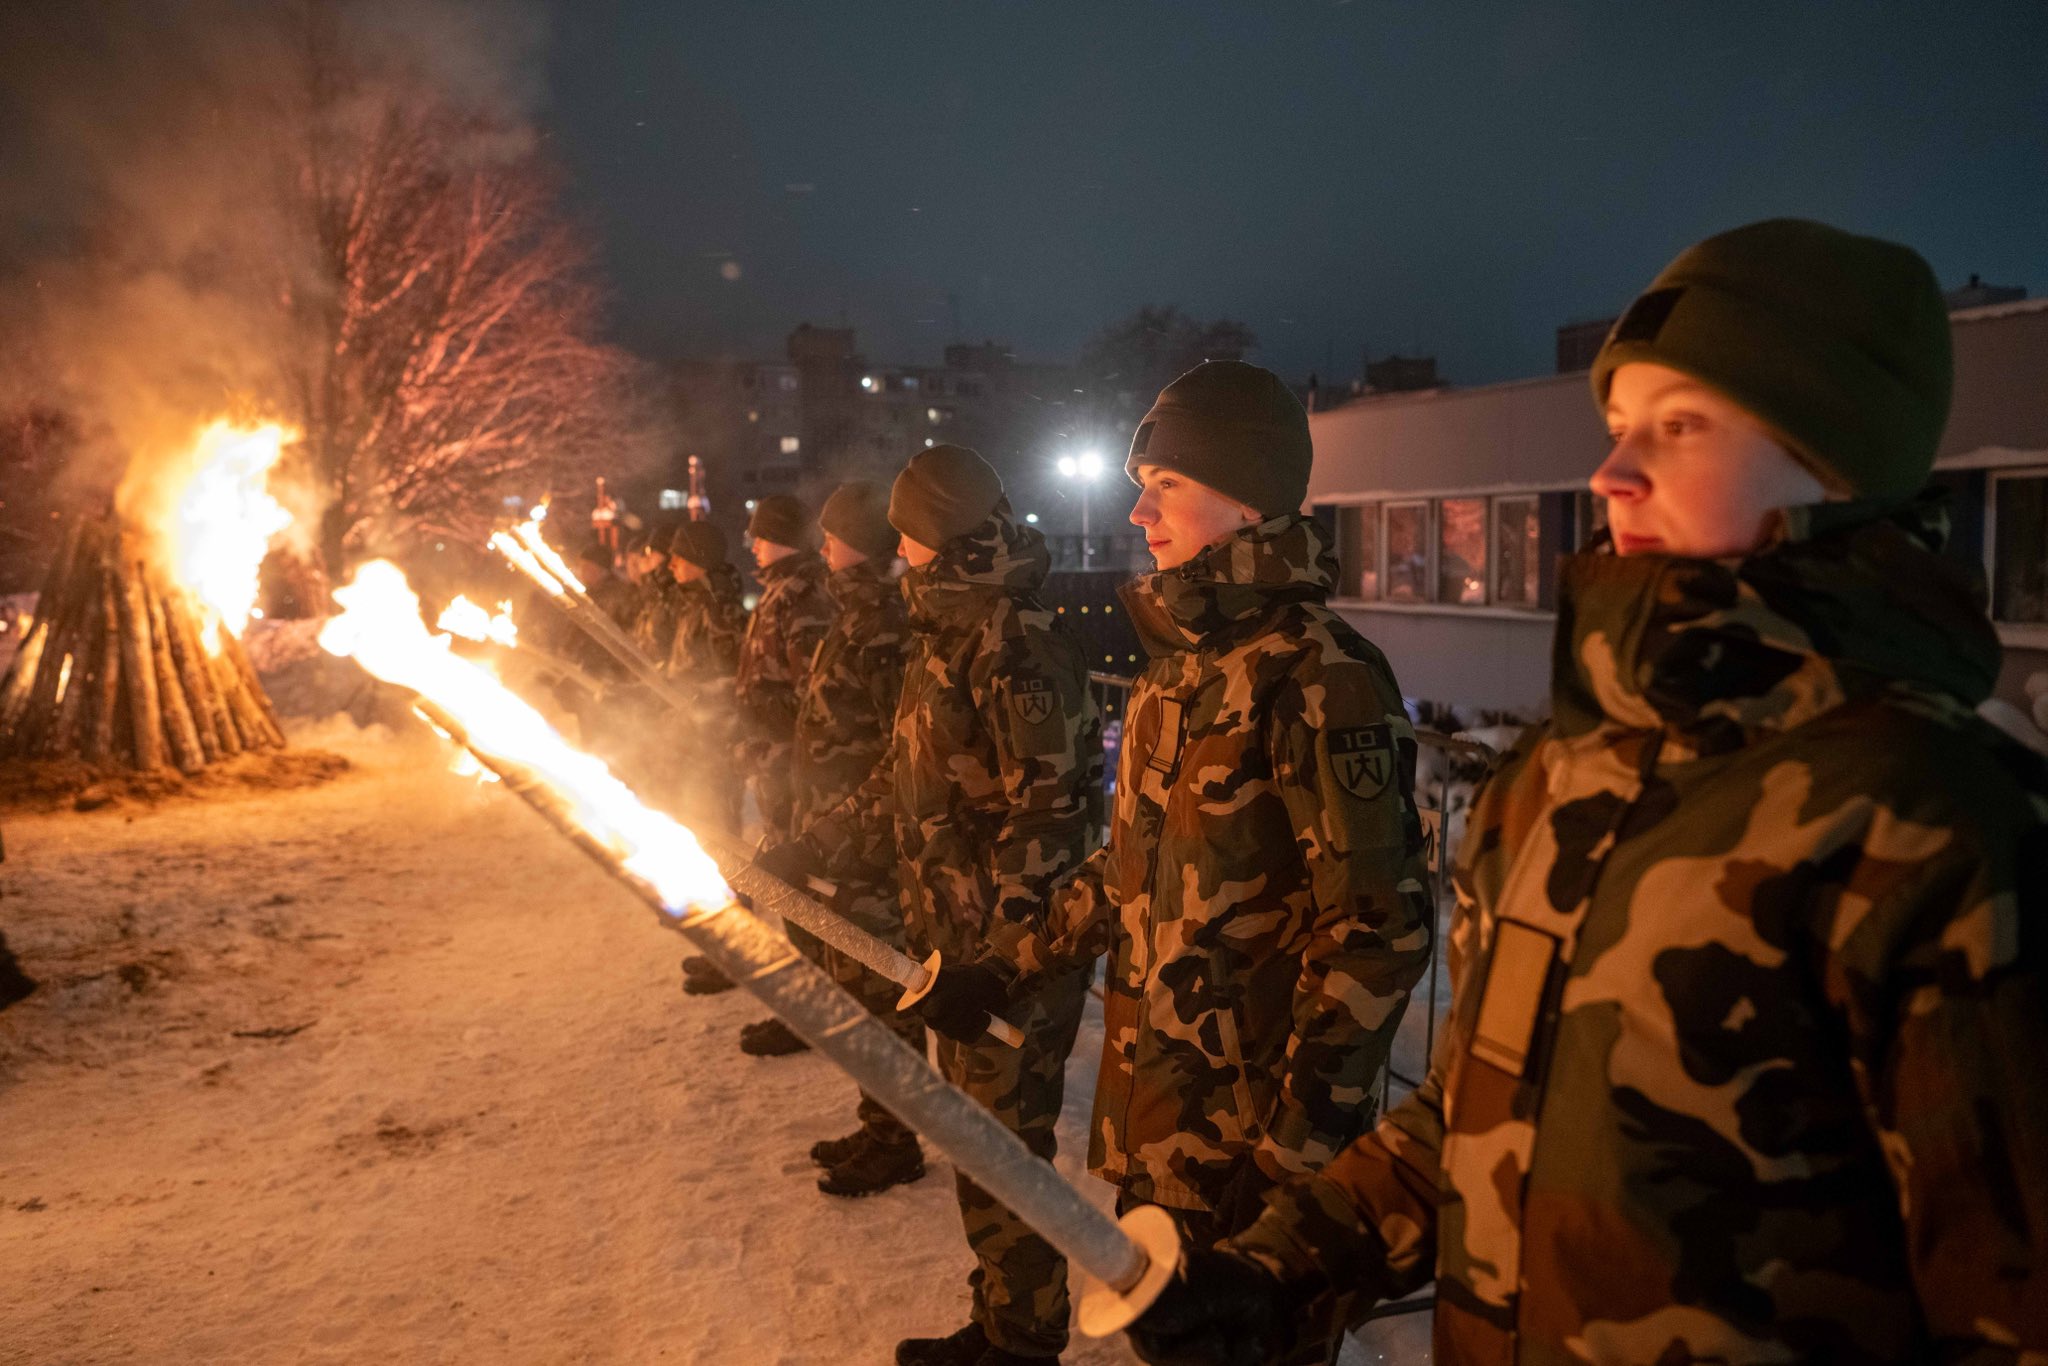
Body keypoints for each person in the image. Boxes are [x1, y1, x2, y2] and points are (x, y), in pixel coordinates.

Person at [1126, 219, 2048, 1365]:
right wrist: (1285, 1263)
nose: (1610, 473)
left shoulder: (1936, 822)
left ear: (1835, 462)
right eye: (1617, 428)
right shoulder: (1561, 779)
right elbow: (1470, 1109)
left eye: (1678, 425)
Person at [916, 361, 1433, 1366]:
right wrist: (1004, 966)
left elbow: (1375, 934)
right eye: (1139, 479)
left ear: (1245, 500)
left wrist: (1293, 1159)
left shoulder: (1319, 675)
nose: (1135, 507)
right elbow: (1129, 876)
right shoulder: (1176, 673)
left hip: (1258, 1149)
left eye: (1166, 484)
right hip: (1164, 1119)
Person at [760, 445, 1102, 1366]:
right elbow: (907, 776)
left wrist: (1000, 964)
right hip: (957, 943)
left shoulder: (1016, 645)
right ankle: (1003, 1318)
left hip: (1009, 957)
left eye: (909, 538)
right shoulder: (952, 634)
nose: (896, 552)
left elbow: (1054, 823)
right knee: (982, 1141)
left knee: (1004, 1148)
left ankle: (1022, 1339)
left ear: (941, 538)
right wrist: (820, 839)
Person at [782, 481, 925, 1196]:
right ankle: (881, 1122)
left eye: (832, 536)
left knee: (877, 999)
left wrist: (848, 828)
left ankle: (895, 1138)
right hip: (836, 835)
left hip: (868, 847)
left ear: (855, 545)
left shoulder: (883, 628)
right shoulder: (857, 616)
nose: (823, 547)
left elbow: (896, 750)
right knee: (856, 992)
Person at [729, 494, 833, 1053]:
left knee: (798, 891)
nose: (753, 544)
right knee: (787, 888)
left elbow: (811, 698)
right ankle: (807, 1007)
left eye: (761, 535)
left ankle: (815, 1013)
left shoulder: (803, 597)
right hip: (775, 766)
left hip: (795, 772)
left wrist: (770, 729)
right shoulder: (780, 591)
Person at [664, 519, 752, 996]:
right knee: (707, 847)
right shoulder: (695, 602)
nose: (672, 563)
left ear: (697, 559)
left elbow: (726, 679)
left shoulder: (718, 608)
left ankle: (739, 951)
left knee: (725, 849)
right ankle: (722, 945)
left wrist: (692, 702)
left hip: (715, 746)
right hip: (694, 744)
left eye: (680, 555)